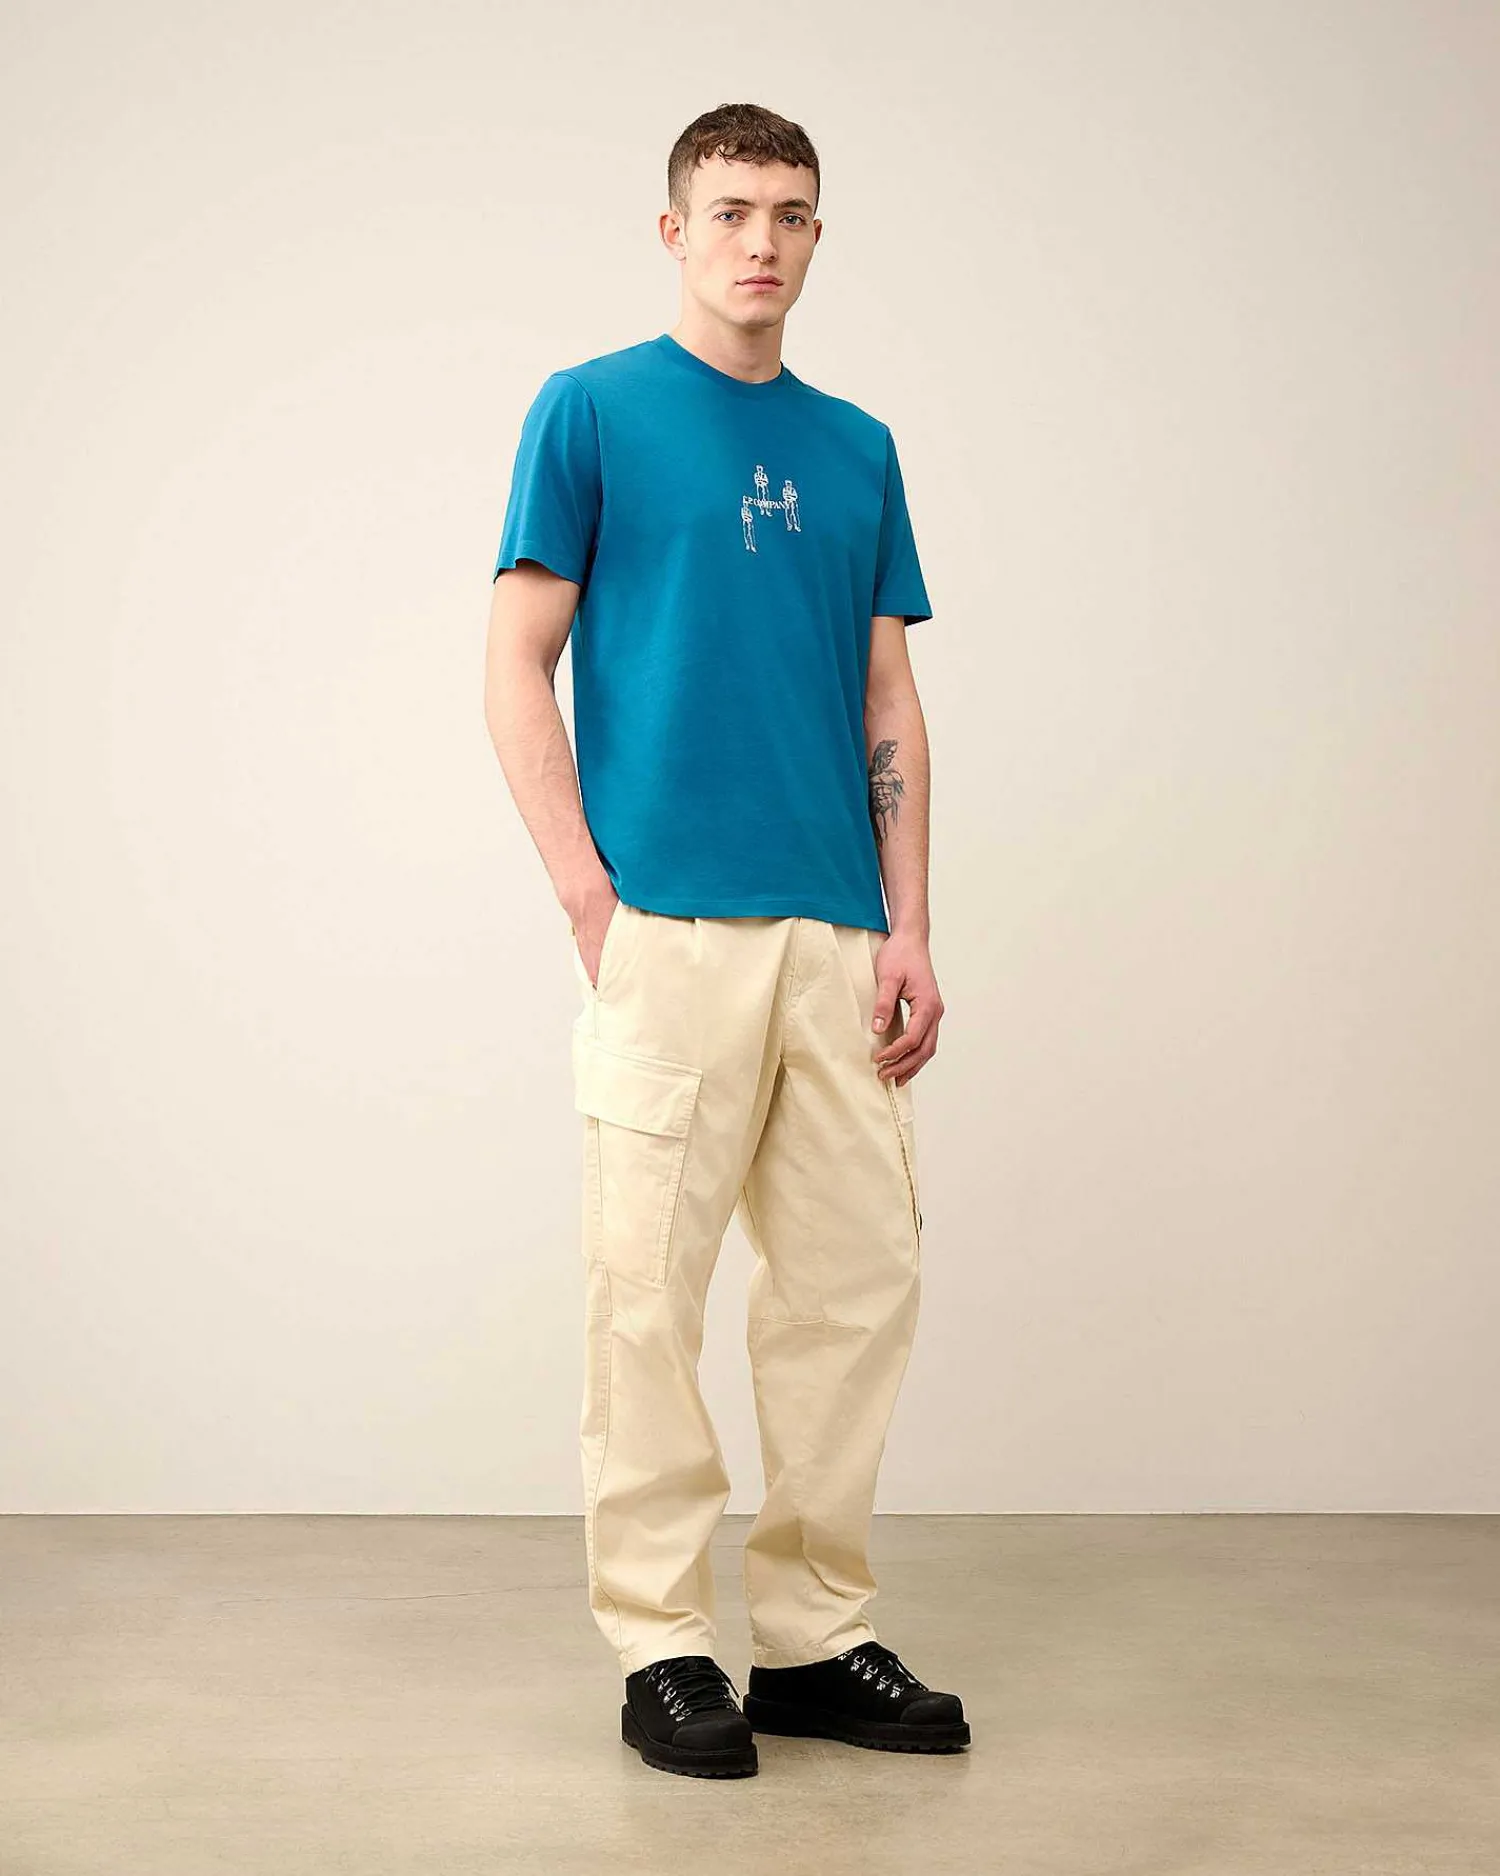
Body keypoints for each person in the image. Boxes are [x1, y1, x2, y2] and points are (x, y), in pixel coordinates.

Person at [483, 101, 968, 1779]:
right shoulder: (593, 411)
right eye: (734, 208)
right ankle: (663, 1645)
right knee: (647, 1300)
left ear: (818, 237)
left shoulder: (858, 448)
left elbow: (886, 696)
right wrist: (585, 891)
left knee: (852, 1292)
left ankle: (815, 1640)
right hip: (672, 932)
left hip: (835, 936)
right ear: (674, 229)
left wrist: (909, 925)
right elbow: (514, 659)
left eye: (793, 214)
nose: (763, 239)